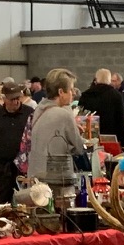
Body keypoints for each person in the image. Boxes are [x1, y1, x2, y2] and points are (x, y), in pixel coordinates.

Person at [27, 69, 88, 198]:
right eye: (70, 89)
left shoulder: (39, 109)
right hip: (55, 182)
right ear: (61, 92)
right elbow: (79, 148)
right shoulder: (64, 114)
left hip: (34, 180)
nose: (73, 93)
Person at [0, 79, 33, 197]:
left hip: (24, 169)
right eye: (12, 99)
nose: (16, 102)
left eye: (18, 98)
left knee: (25, 202)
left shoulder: (30, 114)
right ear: (4, 98)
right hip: (0, 169)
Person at [78, 69, 124, 149]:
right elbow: (121, 120)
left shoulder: (85, 95)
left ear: (96, 79)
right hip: (110, 139)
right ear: (109, 80)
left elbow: (80, 118)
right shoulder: (116, 96)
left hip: (90, 139)